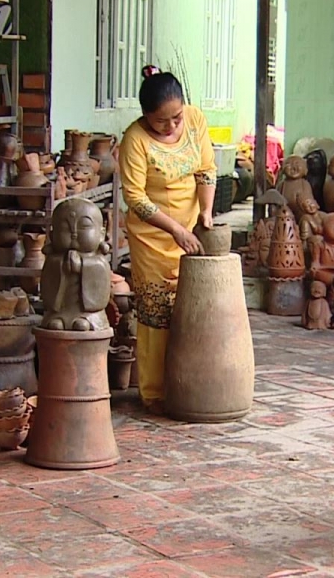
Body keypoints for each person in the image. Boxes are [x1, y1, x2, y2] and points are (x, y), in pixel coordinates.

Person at [118, 70, 217, 414]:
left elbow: (205, 169)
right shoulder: (135, 140)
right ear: (146, 117)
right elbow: (136, 198)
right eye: (162, 121)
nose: (173, 125)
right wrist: (174, 229)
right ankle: (155, 392)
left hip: (190, 227)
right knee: (157, 312)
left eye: (177, 116)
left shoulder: (195, 120)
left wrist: (206, 212)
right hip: (153, 237)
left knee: (191, 308)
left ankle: (189, 382)